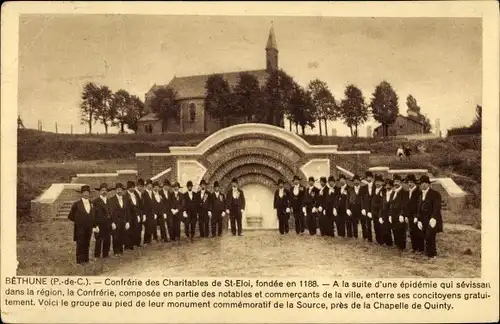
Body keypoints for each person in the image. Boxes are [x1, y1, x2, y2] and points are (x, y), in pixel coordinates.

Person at [68, 185, 96, 264]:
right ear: (81, 193)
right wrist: (79, 222)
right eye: (84, 192)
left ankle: (86, 259)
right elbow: (70, 216)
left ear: (89, 194)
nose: (86, 194)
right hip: (80, 228)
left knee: (87, 243)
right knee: (80, 243)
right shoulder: (76, 204)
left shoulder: (92, 203)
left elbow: (93, 215)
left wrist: (93, 225)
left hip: (89, 228)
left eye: (87, 192)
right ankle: (80, 260)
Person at [417, 175, 443, 258]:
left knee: (430, 236)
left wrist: (433, 218)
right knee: (425, 235)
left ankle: (432, 254)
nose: (422, 185)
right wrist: (418, 219)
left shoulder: (435, 194)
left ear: (427, 184)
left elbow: (437, 207)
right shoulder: (421, 195)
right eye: (421, 184)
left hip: (432, 219)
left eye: (424, 183)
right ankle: (429, 252)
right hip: (423, 219)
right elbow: (419, 209)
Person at [108, 183, 129, 255]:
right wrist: (112, 222)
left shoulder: (125, 199)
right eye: (118, 190)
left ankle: (121, 250)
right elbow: (110, 212)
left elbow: (127, 211)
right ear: (115, 191)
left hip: (123, 221)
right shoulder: (111, 200)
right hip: (116, 222)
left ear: (122, 190)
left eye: (121, 190)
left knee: (122, 235)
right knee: (116, 236)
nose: (119, 191)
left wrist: (127, 221)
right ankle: (116, 251)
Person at [390, 175, 409, 251]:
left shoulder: (404, 192)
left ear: (400, 182)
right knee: (395, 230)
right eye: (394, 182)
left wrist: (402, 214)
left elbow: (404, 205)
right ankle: (397, 244)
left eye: (397, 181)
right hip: (394, 215)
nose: (396, 183)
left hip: (400, 214)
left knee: (401, 230)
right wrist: (390, 215)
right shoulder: (393, 192)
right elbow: (391, 204)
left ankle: (402, 246)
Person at [93, 183, 111, 258]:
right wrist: (94, 226)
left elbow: (111, 212)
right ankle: (97, 256)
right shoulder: (95, 201)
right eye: (102, 190)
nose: (104, 192)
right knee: (99, 240)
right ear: (99, 191)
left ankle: (105, 255)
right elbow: (93, 215)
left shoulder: (109, 201)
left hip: (107, 224)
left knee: (107, 239)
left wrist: (112, 222)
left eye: (105, 190)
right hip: (99, 224)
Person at [405, 174, 422, 253]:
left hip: (417, 215)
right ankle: (414, 248)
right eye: (408, 182)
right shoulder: (409, 191)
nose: (409, 184)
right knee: (411, 231)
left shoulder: (418, 192)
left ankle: (420, 248)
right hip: (410, 215)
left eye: (411, 182)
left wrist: (416, 216)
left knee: (417, 231)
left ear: (414, 183)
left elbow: (419, 205)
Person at [125, 181, 142, 248]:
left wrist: (138, 214)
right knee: (129, 230)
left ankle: (136, 243)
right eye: (131, 187)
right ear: (128, 188)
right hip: (129, 215)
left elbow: (138, 205)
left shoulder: (135, 194)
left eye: (133, 187)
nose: (133, 189)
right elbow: (126, 208)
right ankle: (129, 245)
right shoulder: (126, 195)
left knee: (136, 229)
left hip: (136, 215)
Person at [360, 171, 375, 242]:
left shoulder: (376, 186)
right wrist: (363, 208)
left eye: (370, 177)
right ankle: (369, 239)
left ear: (372, 178)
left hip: (374, 208)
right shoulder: (363, 188)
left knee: (377, 224)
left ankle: (380, 240)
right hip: (366, 208)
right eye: (367, 178)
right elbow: (362, 199)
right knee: (368, 224)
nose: (368, 179)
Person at [371, 175, 385, 245]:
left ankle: (383, 241)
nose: (377, 183)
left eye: (379, 182)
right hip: (374, 212)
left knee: (381, 226)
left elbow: (383, 203)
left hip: (381, 212)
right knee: (375, 226)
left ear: (382, 183)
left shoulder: (384, 190)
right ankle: (378, 240)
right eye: (376, 182)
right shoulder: (374, 190)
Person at [380, 179, 395, 246]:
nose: (387, 187)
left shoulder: (394, 193)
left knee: (394, 229)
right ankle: (388, 243)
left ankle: (397, 244)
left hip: (392, 214)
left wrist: (391, 215)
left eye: (389, 185)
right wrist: (380, 216)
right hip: (384, 214)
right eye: (386, 185)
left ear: (392, 186)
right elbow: (381, 206)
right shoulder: (384, 194)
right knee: (385, 229)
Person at [142, 179, 156, 245]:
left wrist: (154, 213)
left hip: (152, 213)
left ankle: (149, 240)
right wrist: (144, 214)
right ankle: (145, 241)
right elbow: (143, 205)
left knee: (151, 227)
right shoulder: (144, 193)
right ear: (146, 186)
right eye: (148, 185)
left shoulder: (152, 193)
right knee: (147, 227)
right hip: (147, 213)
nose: (150, 186)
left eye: (151, 185)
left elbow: (154, 203)